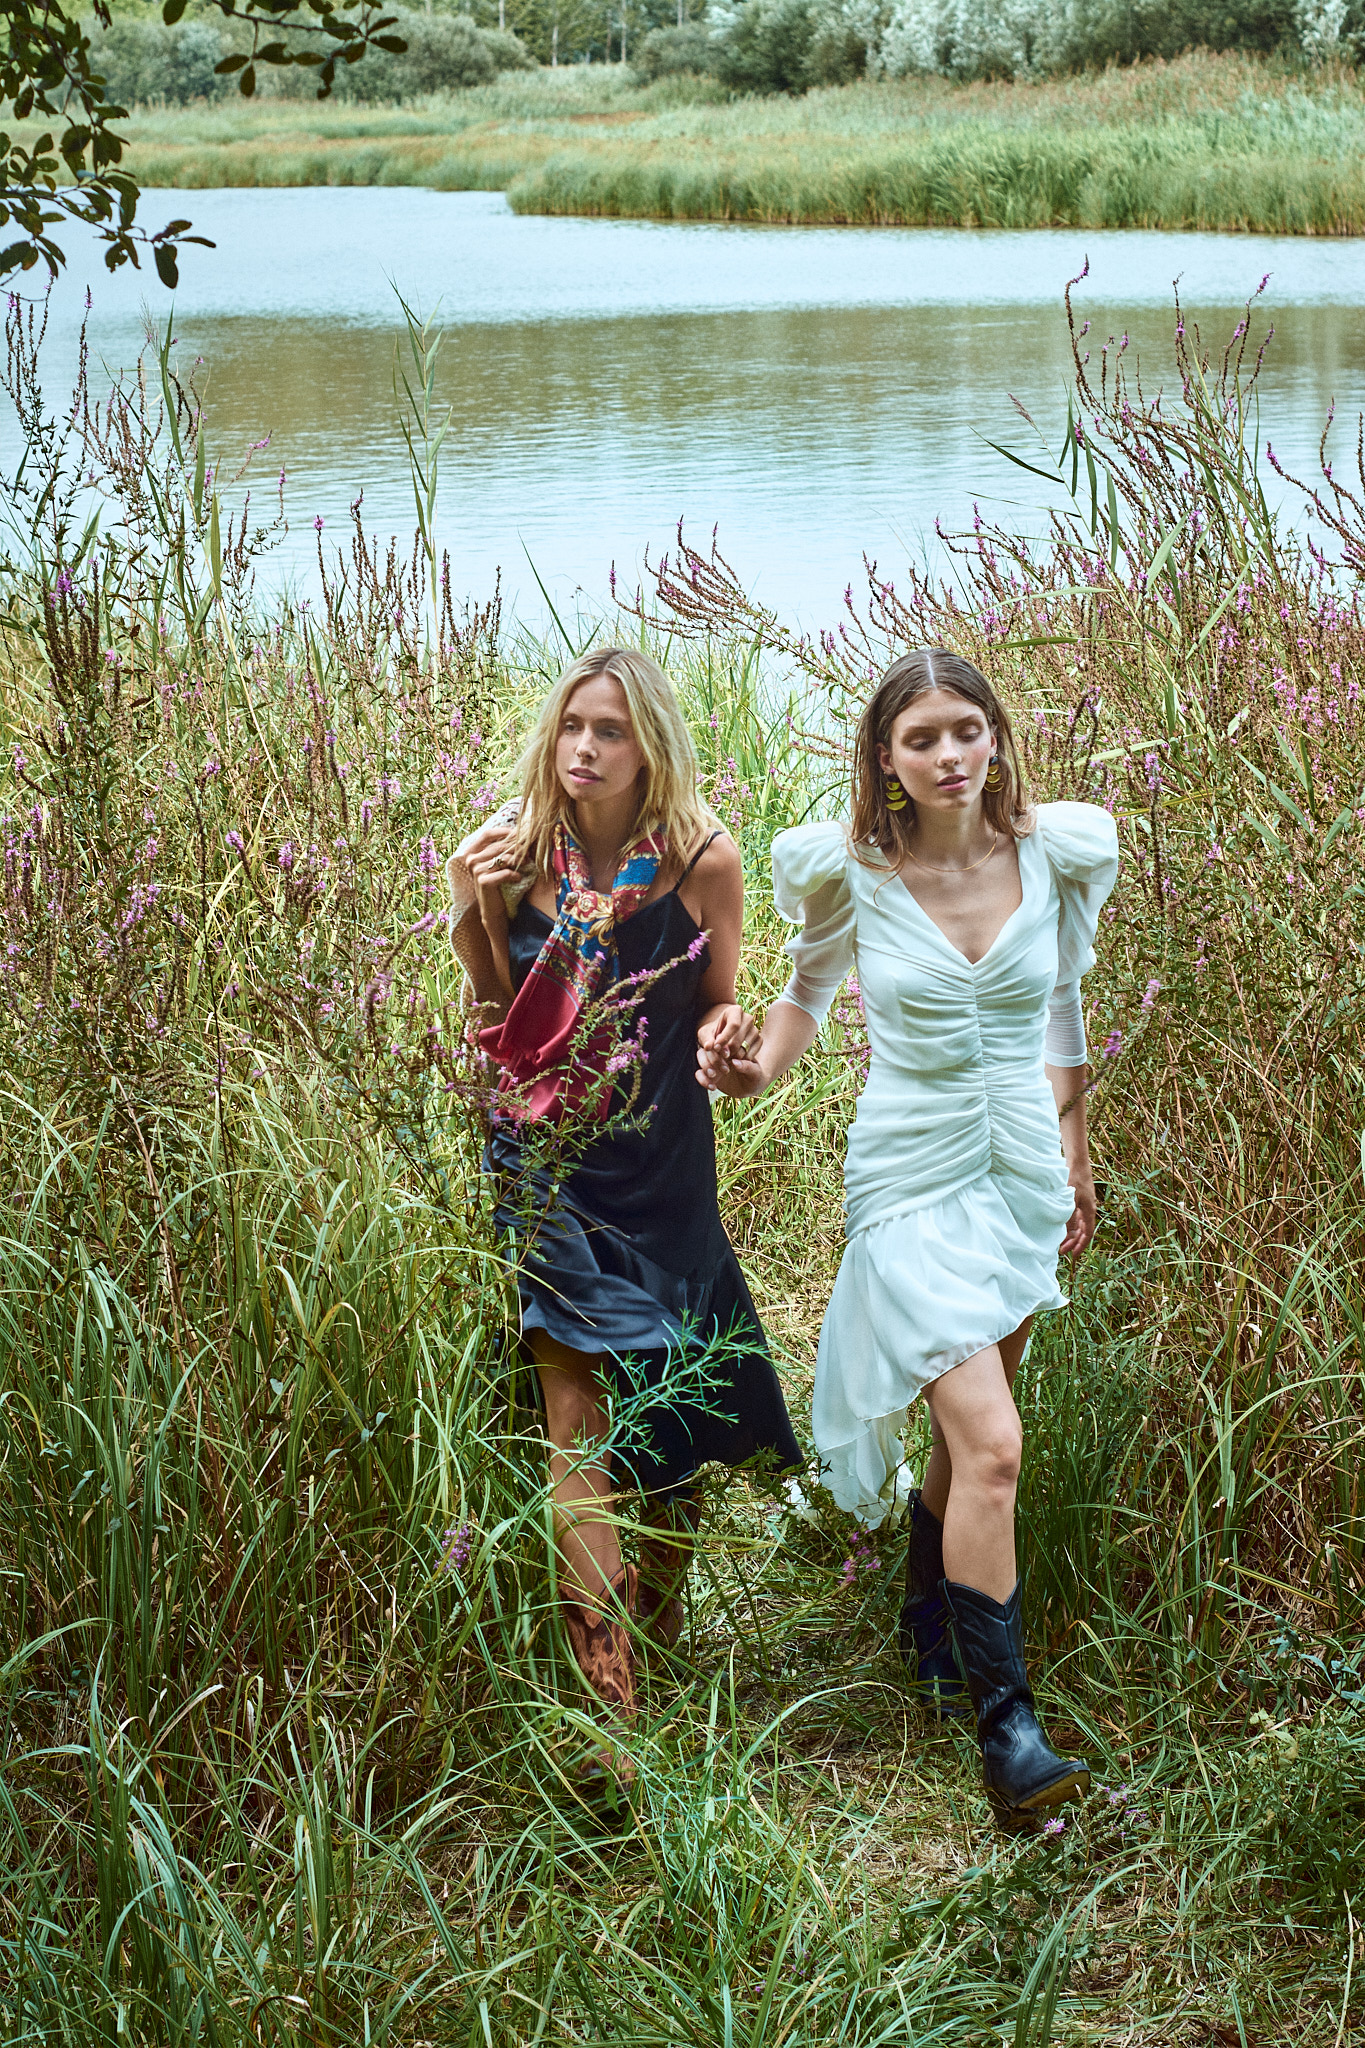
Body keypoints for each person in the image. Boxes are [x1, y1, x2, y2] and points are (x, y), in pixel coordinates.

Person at [698, 647, 1118, 1823]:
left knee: (965, 1439)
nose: (947, 756)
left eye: (964, 731)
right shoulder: (852, 876)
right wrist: (747, 1070)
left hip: (1022, 1172)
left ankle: (930, 1627)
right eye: (921, 737)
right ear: (885, 756)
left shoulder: (1057, 854)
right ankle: (1011, 1734)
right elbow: (800, 1006)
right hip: (909, 1172)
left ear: (995, 739)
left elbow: (1062, 1002)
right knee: (993, 1445)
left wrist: (1076, 1154)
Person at [447, 646, 800, 1793]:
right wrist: (469, 908)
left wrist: (727, 1039)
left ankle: (655, 1628)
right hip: (547, 1170)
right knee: (578, 1409)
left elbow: (726, 999)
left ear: (651, 745)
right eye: (571, 727)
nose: (585, 748)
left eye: (610, 729)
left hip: (662, 1162)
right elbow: (501, 1030)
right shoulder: (516, 862)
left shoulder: (702, 862)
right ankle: (610, 1719)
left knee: (675, 1411)